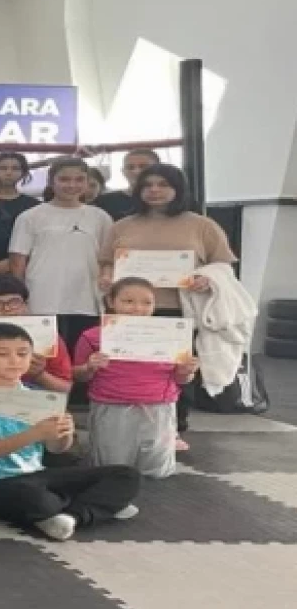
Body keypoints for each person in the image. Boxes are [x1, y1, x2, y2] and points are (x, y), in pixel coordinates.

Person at [0, 323, 141, 541]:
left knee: (126, 476)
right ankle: (94, 506)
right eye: (2, 354)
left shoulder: (38, 395)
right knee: (35, 498)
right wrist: (36, 433)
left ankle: (70, 517)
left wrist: (64, 433)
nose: (14, 361)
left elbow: (56, 449)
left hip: (36, 473)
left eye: (22, 354)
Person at [97, 163, 237, 445]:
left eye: (163, 185)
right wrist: (106, 277)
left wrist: (207, 278)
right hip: (129, 311)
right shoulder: (122, 226)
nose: (155, 190)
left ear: (178, 189)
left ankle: (174, 428)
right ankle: (130, 427)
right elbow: (106, 262)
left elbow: (223, 264)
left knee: (176, 371)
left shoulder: (202, 225)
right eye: (148, 185)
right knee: (130, 369)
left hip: (179, 310)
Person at [75, 278, 199, 478]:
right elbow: (78, 375)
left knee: (156, 469)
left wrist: (187, 371)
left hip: (159, 407)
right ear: (111, 301)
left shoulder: (171, 335)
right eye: (128, 301)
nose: (137, 309)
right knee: (111, 469)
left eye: (147, 302)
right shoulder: (92, 336)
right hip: (111, 406)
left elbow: (182, 379)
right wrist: (89, 366)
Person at [9, 158, 114, 351]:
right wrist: (19, 296)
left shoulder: (100, 217)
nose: (72, 185)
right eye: (64, 179)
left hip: (87, 299)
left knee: (82, 354)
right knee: (45, 354)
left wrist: (107, 281)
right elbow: (18, 260)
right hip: (41, 298)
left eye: (79, 179)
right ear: (51, 181)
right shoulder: (30, 216)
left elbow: (108, 258)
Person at [92, 148, 161, 221]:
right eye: (130, 167)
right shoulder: (104, 202)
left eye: (143, 166)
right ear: (123, 171)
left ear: (160, 169)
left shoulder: (168, 201)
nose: (136, 171)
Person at [0, 152, 40, 220]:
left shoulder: (33, 205)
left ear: (23, 173)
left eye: (15, 168)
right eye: (3, 168)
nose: (9, 173)